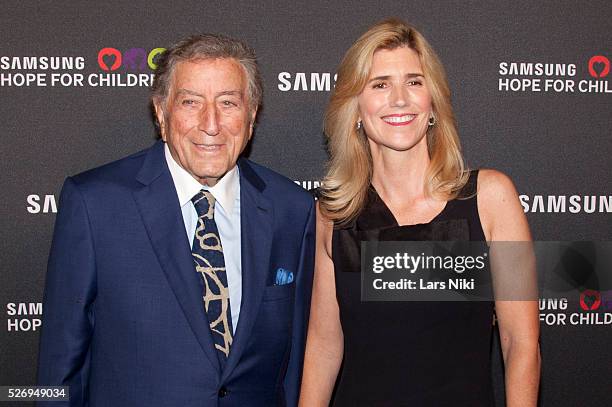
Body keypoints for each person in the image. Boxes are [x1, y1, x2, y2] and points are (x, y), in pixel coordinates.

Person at [37, 33, 315, 407]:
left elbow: (296, 364)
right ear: (161, 113)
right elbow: (60, 366)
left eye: (228, 103)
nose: (211, 124)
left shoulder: (291, 208)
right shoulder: (95, 204)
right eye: (190, 102)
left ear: (251, 117)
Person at [299, 19, 540, 406]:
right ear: (355, 109)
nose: (400, 99)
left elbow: (520, 343)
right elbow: (324, 346)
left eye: (414, 81)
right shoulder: (333, 215)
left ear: (433, 103)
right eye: (379, 84)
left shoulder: (489, 198)